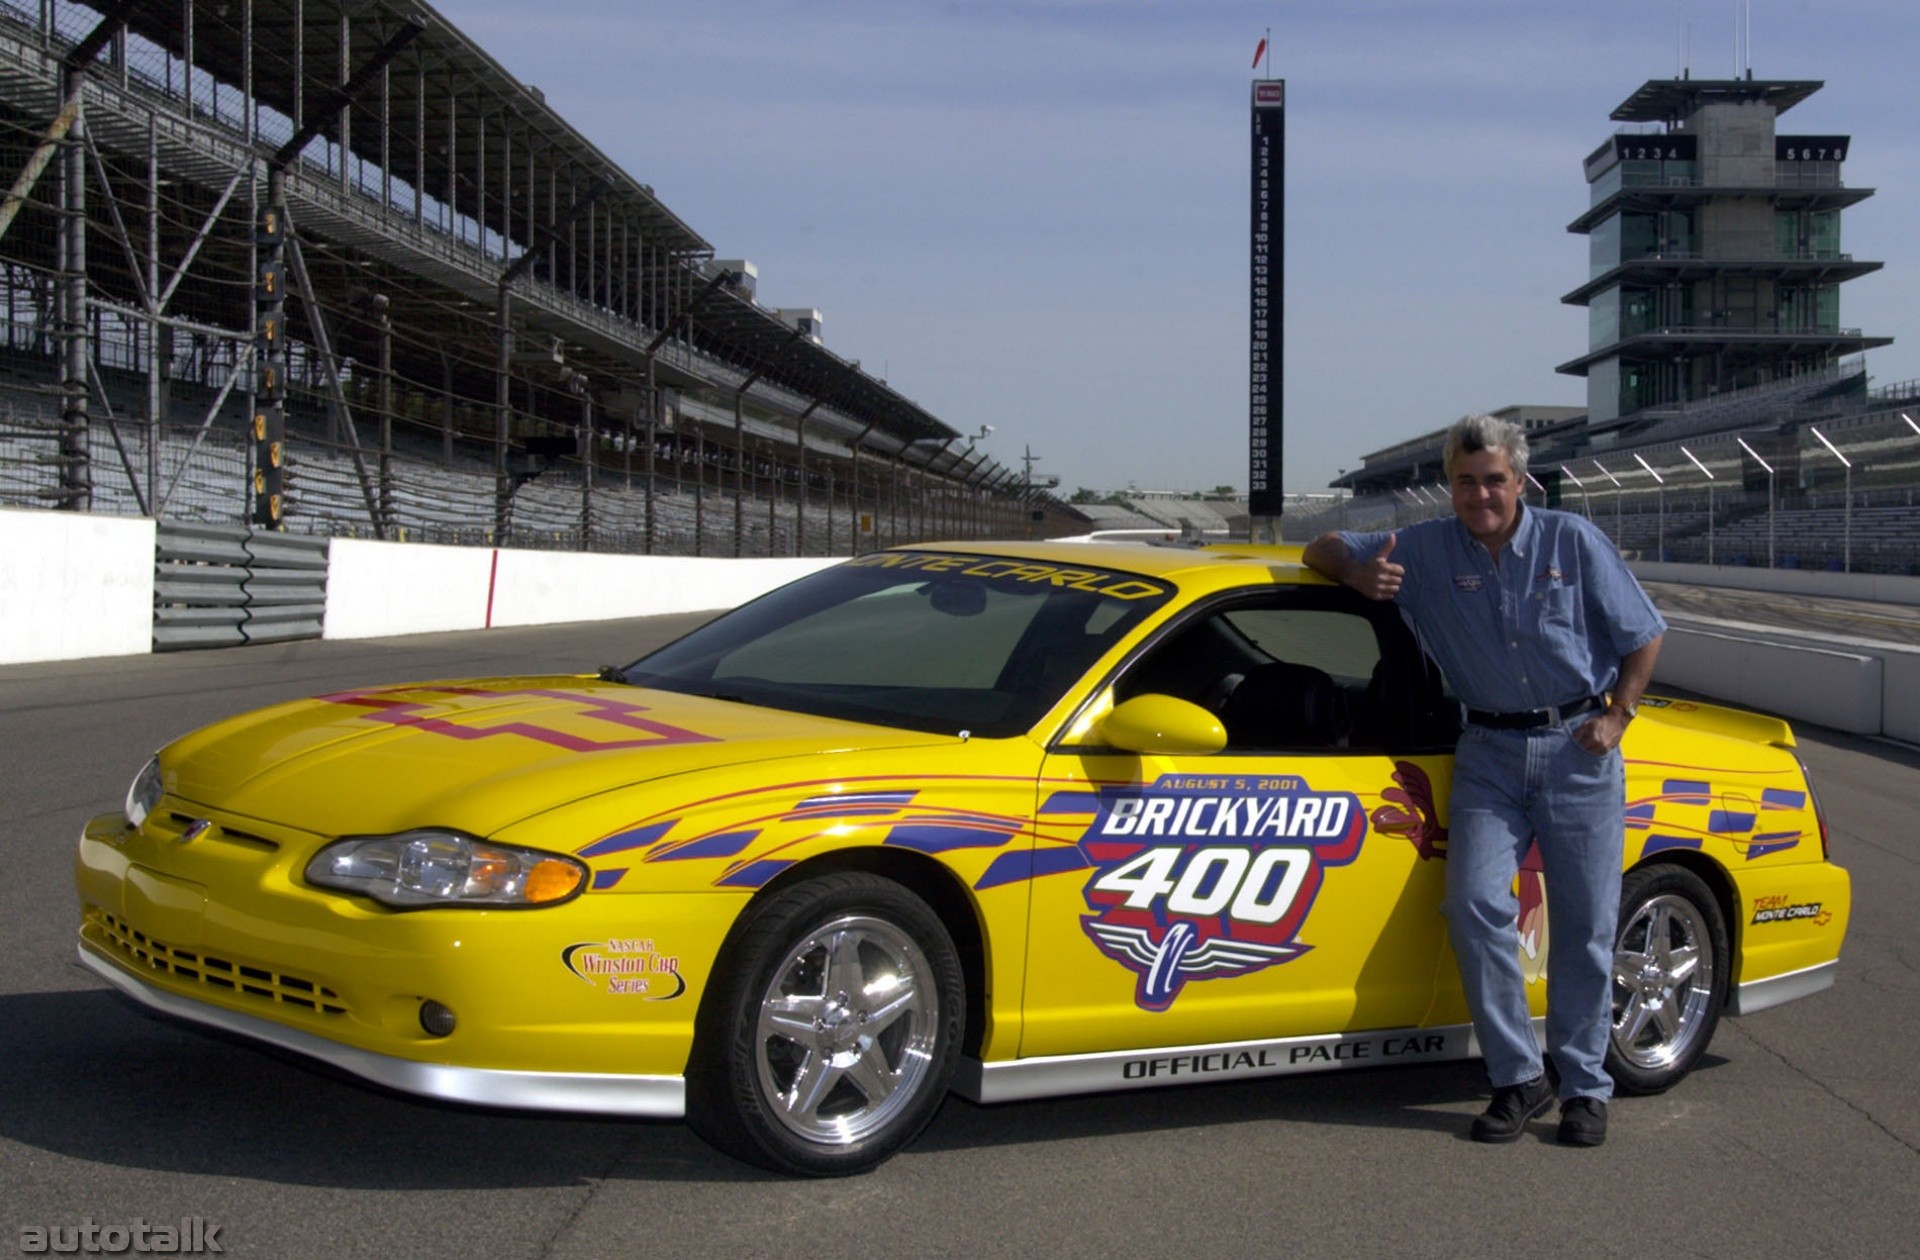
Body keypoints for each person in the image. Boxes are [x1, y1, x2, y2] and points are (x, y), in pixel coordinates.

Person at [1303, 413, 1665, 1147]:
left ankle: (1585, 1087)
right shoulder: (1424, 547)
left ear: (1520, 481)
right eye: (1465, 482)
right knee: (1472, 906)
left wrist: (1618, 715)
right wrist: (1352, 571)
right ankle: (1519, 1077)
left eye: (1494, 480)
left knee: (1586, 929)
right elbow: (1320, 547)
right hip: (1489, 752)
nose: (1480, 495)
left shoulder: (1571, 540)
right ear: (1450, 485)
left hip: (1578, 748)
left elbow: (1644, 632)